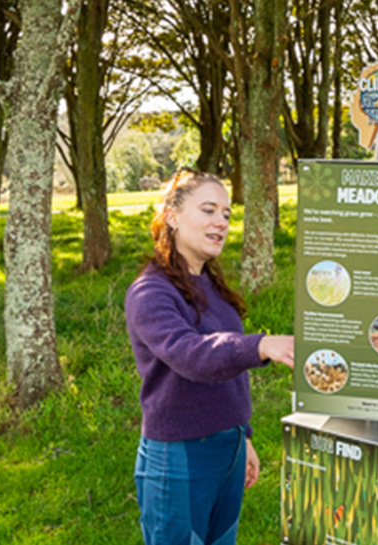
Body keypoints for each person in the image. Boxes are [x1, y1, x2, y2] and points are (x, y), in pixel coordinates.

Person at [125, 168, 294, 545]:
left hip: (227, 449)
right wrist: (261, 345)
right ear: (172, 216)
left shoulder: (210, 285)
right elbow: (191, 355)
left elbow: (227, 368)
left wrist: (242, 437)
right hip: (179, 456)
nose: (221, 221)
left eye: (227, 214)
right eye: (208, 210)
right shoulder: (150, 293)